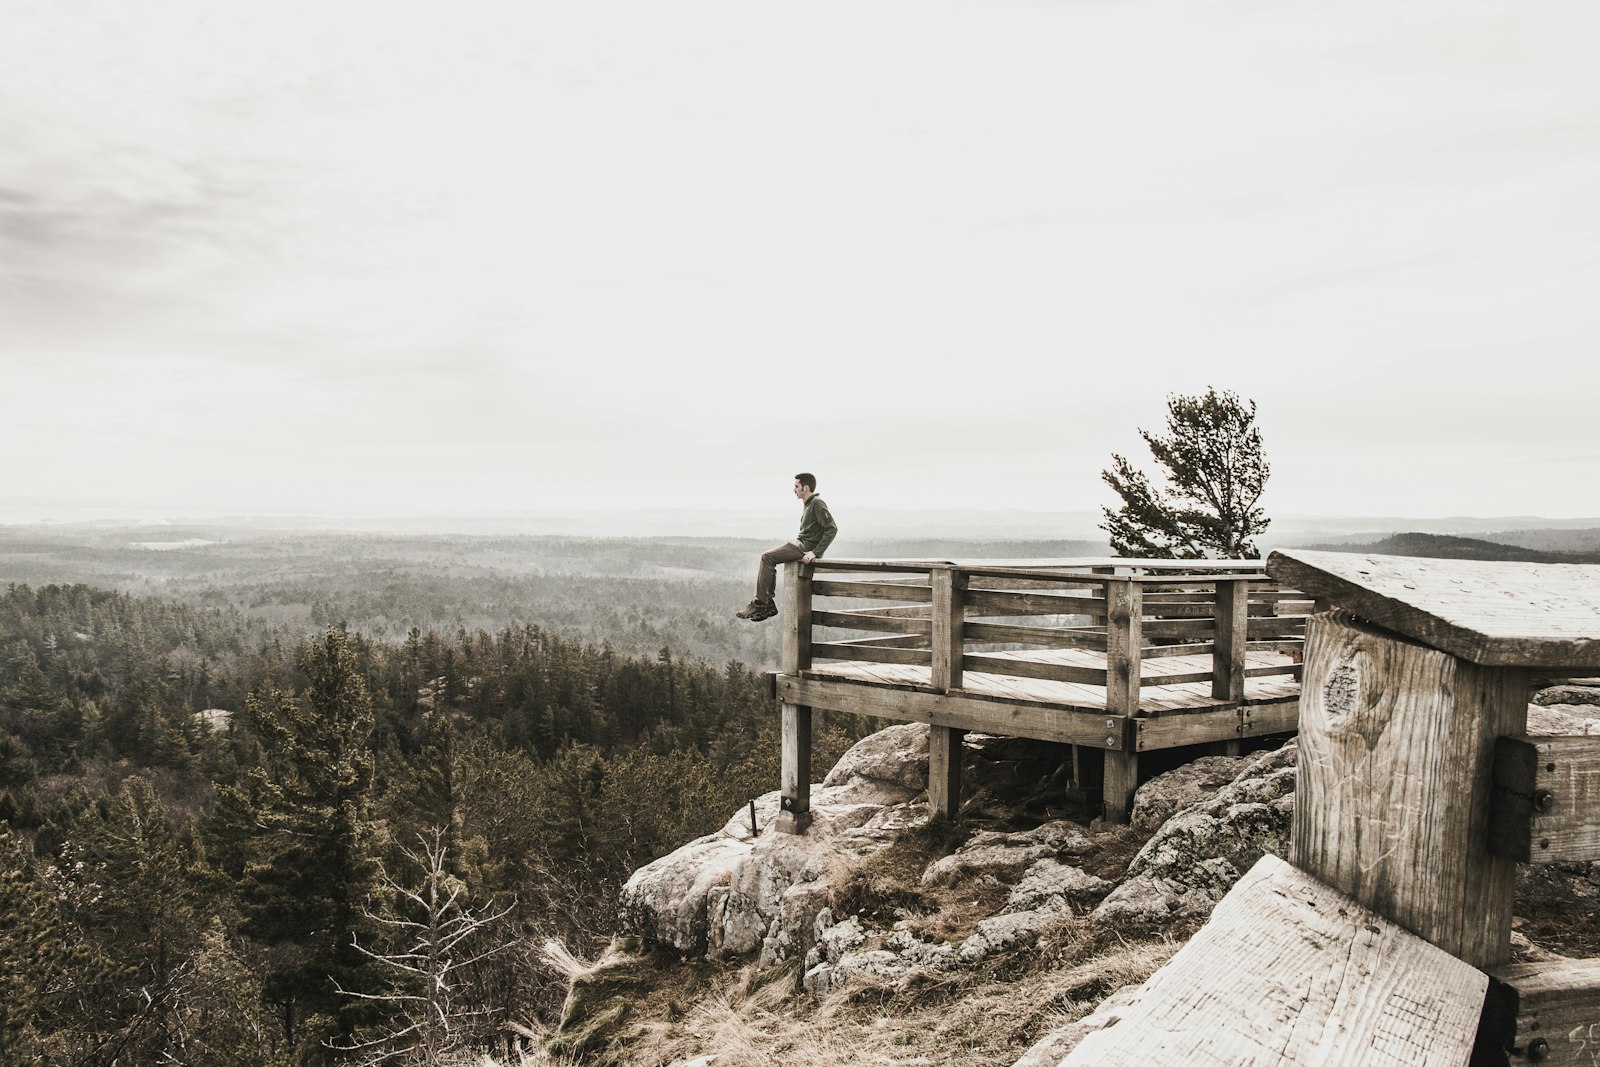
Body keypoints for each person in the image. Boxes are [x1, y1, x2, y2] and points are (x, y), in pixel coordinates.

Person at [737, 472, 837, 622]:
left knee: (767, 557)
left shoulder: (817, 503)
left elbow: (832, 528)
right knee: (769, 559)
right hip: (801, 544)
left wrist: (815, 552)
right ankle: (767, 602)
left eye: (796, 486)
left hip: (804, 548)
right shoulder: (809, 504)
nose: (794, 489)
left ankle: (760, 603)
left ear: (806, 488)